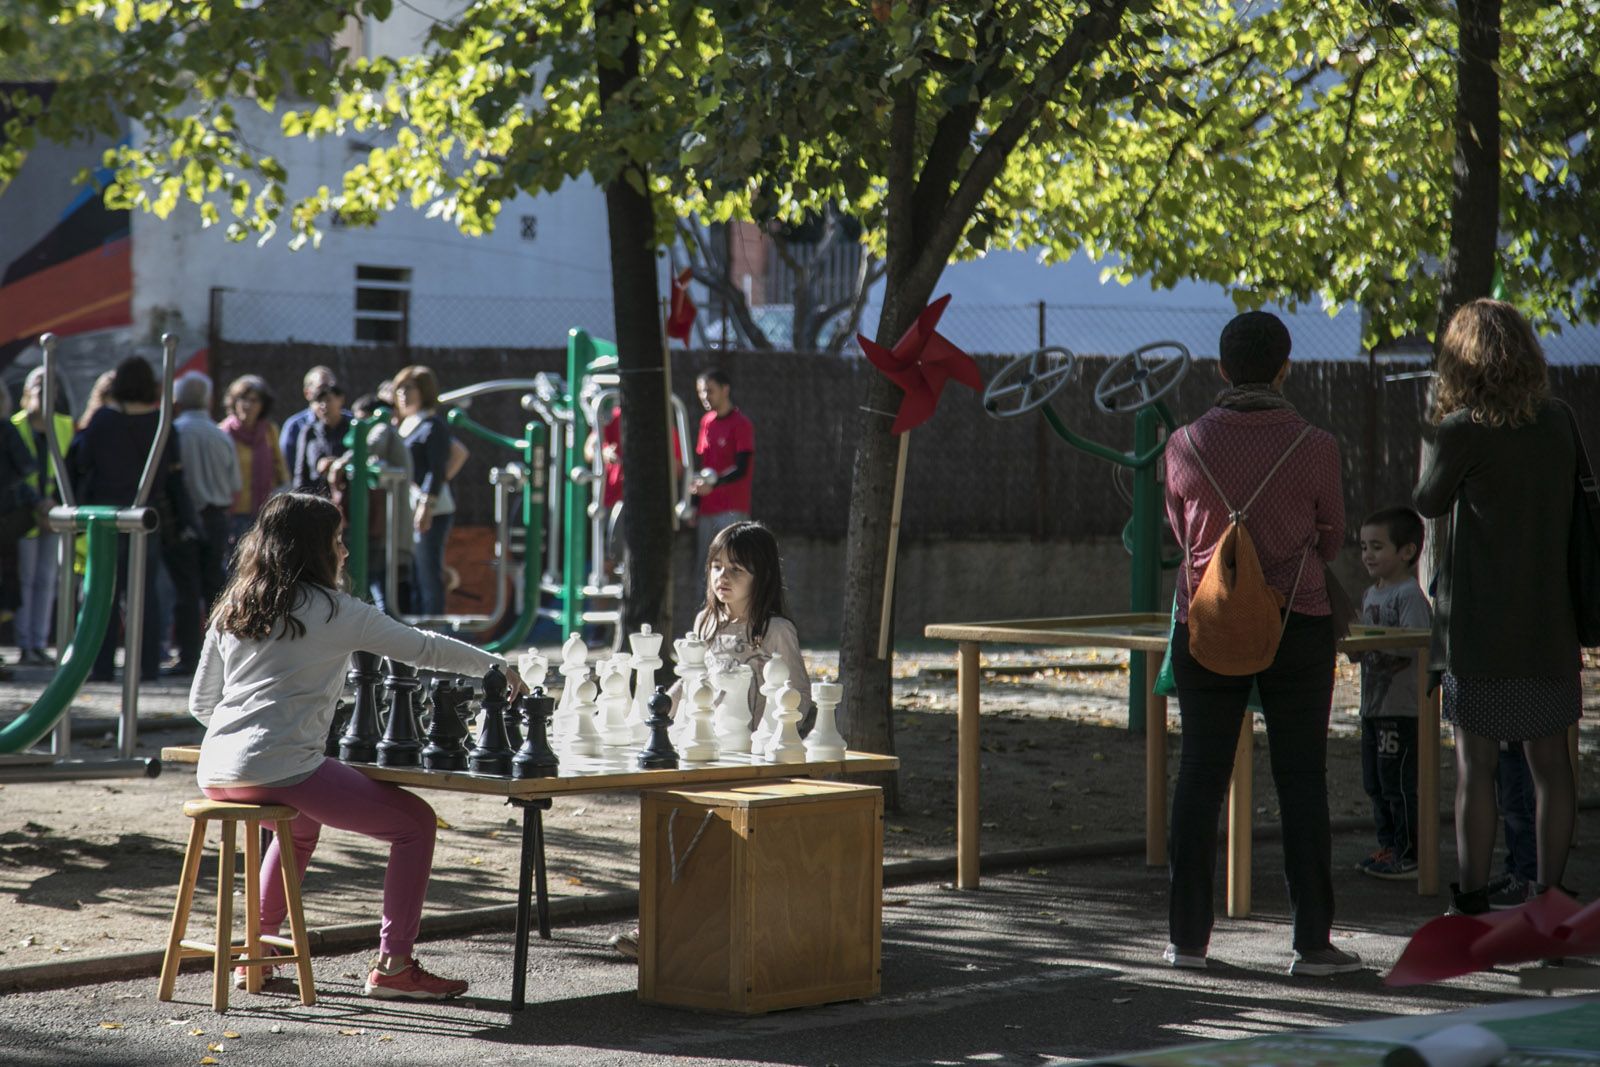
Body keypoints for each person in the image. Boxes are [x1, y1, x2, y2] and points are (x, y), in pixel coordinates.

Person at [190, 493, 525, 1000]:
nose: (344, 550)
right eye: (337, 540)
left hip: (216, 771)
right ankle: (394, 965)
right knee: (415, 824)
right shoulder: (336, 610)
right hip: (284, 768)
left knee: (299, 829)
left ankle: (254, 960)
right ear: (316, 548)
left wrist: (247, 738)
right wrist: (495, 665)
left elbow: (201, 703)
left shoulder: (235, 605)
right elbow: (424, 648)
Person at [1162, 311, 1358, 976]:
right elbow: (1331, 538)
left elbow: (1180, 534)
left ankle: (1187, 940)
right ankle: (1312, 943)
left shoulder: (1184, 443)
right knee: (1302, 776)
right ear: (1285, 366)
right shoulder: (1315, 444)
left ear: (1220, 368)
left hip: (1208, 620)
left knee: (1200, 774)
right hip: (1298, 619)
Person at [1414, 298, 1581, 914]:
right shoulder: (1558, 421)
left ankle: (1473, 899)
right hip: (1548, 620)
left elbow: (1428, 502)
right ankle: (1550, 893)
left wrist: (1433, 429)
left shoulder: (1462, 430)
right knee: (1550, 763)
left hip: (1480, 625)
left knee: (1474, 768)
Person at [610, 519, 810, 962]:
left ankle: (696, 935)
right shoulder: (706, 622)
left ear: (763, 577)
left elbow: (799, 697)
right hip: (703, 753)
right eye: (717, 566)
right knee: (668, 828)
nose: (722, 577)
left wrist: (771, 738)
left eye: (736, 570)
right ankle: (661, 928)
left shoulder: (775, 630)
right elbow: (689, 681)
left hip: (750, 759)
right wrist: (660, 715)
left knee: (712, 844)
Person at [68, 356, 193, 683]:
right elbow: (169, 473)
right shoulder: (162, 423)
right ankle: (146, 666)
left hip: (107, 516)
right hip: (144, 516)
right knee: (144, 593)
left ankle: (101, 665)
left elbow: (83, 460)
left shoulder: (104, 420)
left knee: (103, 592)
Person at [1350, 506, 1431, 881]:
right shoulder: (1370, 594)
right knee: (1375, 780)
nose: (1367, 554)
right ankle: (1388, 846)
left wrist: (1374, 644)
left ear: (1407, 551)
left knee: (1398, 782)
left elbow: (1416, 643)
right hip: (1373, 705)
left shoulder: (1409, 596)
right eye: (1364, 546)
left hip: (1401, 707)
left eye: (1377, 547)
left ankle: (1409, 851)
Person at [166, 372, 242, 676]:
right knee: (215, 589)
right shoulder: (220, 435)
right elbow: (235, 482)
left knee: (185, 589)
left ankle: (188, 655)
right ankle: (220, 655)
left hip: (183, 518)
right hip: (217, 517)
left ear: (179, 400)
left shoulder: (174, 433)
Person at [392, 365, 467, 618]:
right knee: (413, 576)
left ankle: (434, 636)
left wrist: (427, 503)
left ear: (424, 391)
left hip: (430, 511)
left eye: (409, 388)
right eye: (399, 388)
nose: (402, 393)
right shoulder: (405, 425)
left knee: (428, 576)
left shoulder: (432, 425)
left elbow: (437, 467)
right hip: (407, 508)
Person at [11, 367, 73, 666]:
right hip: (24, 515)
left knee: (48, 579)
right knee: (26, 578)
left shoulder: (65, 426)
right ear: (26, 393)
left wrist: (55, 505)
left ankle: (39, 641)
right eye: (38, 386)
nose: (44, 391)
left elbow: (73, 470)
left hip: (54, 513)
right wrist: (37, 504)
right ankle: (24, 644)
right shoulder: (14, 426)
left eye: (50, 387)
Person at [332, 393, 415, 615]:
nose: (357, 427)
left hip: (387, 530)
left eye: (361, 421)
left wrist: (341, 463)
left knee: (383, 589)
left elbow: (368, 444)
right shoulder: (391, 435)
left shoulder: (382, 428)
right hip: (382, 529)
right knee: (380, 587)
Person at [690, 368, 755, 576]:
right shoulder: (706, 422)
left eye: (709, 390)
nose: (704, 396)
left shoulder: (741, 424)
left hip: (731, 509)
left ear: (725, 390)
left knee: (731, 568)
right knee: (707, 569)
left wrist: (714, 484)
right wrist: (694, 504)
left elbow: (741, 468)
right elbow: (704, 465)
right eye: (701, 391)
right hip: (706, 510)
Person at [219, 374, 289, 553]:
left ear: (263, 405)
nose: (248, 405)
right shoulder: (223, 432)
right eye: (243, 399)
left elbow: (280, 469)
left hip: (262, 510)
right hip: (231, 512)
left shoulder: (269, 431)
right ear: (234, 401)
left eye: (254, 400)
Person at [288, 378, 351, 495]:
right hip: (316, 497)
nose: (323, 406)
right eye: (318, 401)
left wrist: (337, 463)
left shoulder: (352, 428)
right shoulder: (309, 432)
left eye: (328, 400)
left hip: (346, 495)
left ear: (340, 400)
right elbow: (301, 473)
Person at [279, 366, 337, 486]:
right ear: (307, 393)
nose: (327, 393)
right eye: (322, 387)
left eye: (332, 388)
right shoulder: (295, 426)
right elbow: (286, 466)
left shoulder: (349, 422)